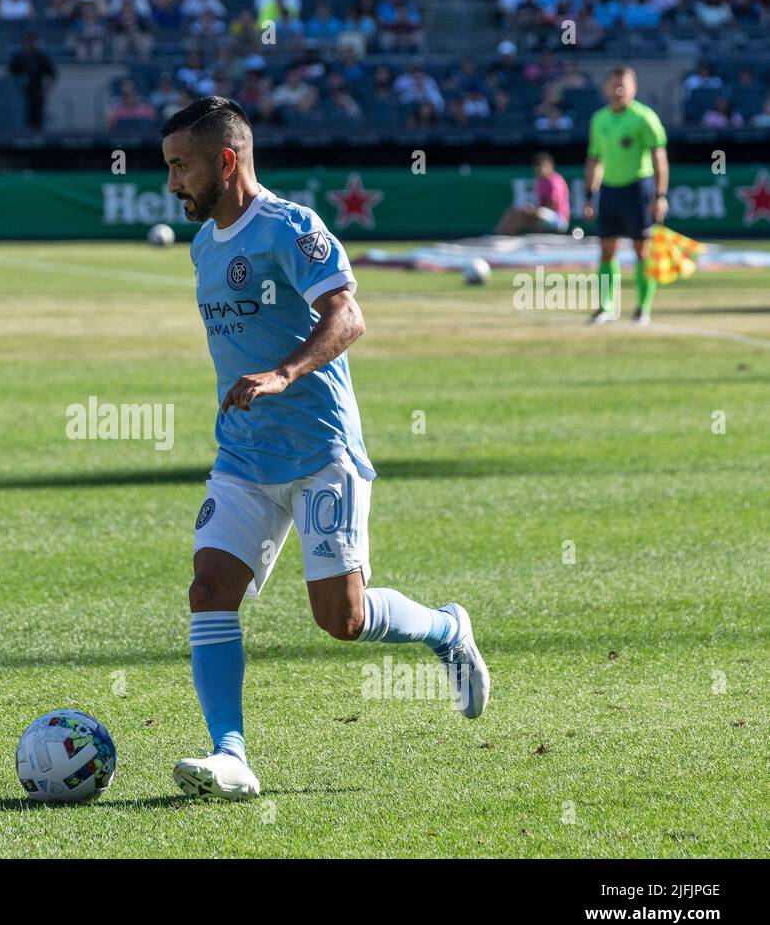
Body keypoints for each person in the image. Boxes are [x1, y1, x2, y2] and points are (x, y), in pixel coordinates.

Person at [159, 96, 490, 800]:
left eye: (181, 167)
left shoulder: (291, 227)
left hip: (320, 451)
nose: (171, 184)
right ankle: (232, 755)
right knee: (210, 589)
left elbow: (348, 315)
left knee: (341, 619)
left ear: (226, 161)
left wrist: (283, 373)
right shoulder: (201, 245)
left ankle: (445, 631)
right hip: (244, 457)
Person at [583, 66, 668, 325]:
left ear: (634, 88)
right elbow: (594, 159)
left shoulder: (645, 118)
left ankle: (643, 308)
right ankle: (606, 307)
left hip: (638, 189)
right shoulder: (599, 120)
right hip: (610, 189)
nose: (618, 90)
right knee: (607, 249)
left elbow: (659, 157)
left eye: (623, 85)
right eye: (614, 84)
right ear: (607, 88)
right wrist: (589, 196)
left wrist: (660, 195)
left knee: (642, 250)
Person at [495, 152, 570, 234]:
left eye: (543, 166)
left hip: (559, 221)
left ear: (551, 166)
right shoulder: (539, 182)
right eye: (537, 166)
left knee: (525, 212)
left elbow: (553, 205)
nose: (540, 169)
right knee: (514, 212)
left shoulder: (555, 180)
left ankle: (503, 234)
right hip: (546, 218)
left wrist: (534, 211)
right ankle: (502, 234)